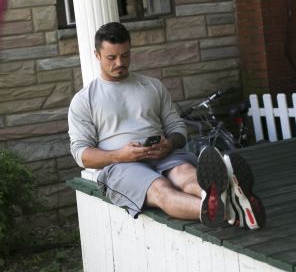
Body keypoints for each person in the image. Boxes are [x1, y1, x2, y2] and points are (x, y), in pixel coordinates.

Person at [67, 22, 265, 228]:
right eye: (111, 57)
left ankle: (225, 200)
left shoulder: (152, 86)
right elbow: (81, 155)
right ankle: (230, 212)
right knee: (161, 189)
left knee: (186, 175)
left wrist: (169, 145)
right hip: (120, 166)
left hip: (164, 156)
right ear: (97, 55)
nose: (120, 62)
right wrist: (120, 155)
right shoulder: (84, 100)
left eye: (125, 55)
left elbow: (177, 128)